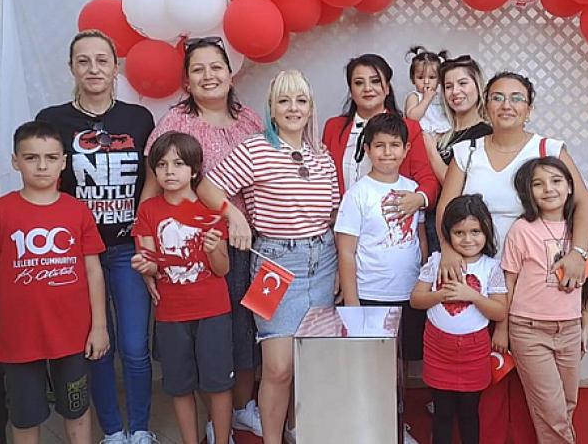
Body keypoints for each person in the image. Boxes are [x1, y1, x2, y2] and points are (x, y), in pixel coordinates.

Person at [199, 70, 339, 444]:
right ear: (271, 108)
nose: (293, 108)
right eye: (284, 101)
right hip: (273, 264)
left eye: (301, 101)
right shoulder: (255, 149)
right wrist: (234, 215)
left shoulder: (321, 155)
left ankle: (299, 431)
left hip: (322, 261)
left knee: (310, 361)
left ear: (311, 108)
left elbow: (332, 213)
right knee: (277, 366)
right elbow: (208, 187)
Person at [34, 29, 156, 444]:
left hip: (126, 249)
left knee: (135, 346)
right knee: (97, 345)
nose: (93, 69)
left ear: (115, 67)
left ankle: (140, 429)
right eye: (83, 61)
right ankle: (113, 432)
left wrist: (145, 233)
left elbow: (152, 182)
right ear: (71, 67)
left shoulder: (138, 119)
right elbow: (44, 182)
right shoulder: (52, 120)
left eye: (102, 60)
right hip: (76, 253)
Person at [143, 36, 264, 441]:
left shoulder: (250, 119)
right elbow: (151, 193)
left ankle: (241, 410)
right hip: (193, 249)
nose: (208, 75)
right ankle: (212, 421)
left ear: (231, 73)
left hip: (246, 243)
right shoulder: (176, 123)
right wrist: (148, 250)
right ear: (186, 81)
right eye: (198, 69)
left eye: (216, 67)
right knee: (202, 338)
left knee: (242, 329)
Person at [0, 121, 109, 444]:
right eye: (31, 158)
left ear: (63, 162)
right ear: (15, 161)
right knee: (25, 417)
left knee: (77, 410)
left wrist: (99, 327)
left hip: (72, 334)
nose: (42, 166)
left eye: (51, 157)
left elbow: (94, 271)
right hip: (20, 337)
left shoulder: (78, 210)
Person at [436, 71, 588, 289]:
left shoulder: (548, 149)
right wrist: (447, 250)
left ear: (529, 110)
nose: (506, 105)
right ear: (486, 106)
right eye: (497, 98)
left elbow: (583, 203)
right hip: (475, 272)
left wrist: (578, 253)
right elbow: (445, 207)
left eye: (517, 98)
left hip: (535, 271)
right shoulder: (467, 152)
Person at [131, 132, 233, 444]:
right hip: (171, 314)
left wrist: (213, 249)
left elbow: (223, 268)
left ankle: (222, 438)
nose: (170, 171)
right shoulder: (148, 211)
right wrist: (145, 265)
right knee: (179, 385)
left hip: (213, 311)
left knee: (218, 384)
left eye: (178, 164)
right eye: (162, 165)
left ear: (194, 169)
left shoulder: (211, 211)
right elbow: (149, 259)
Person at [333, 114, 428, 444]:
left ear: (406, 149)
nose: (387, 152)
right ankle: (377, 429)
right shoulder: (358, 194)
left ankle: (396, 423)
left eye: (394, 145)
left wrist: (424, 281)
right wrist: (352, 304)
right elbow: (346, 251)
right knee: (375, 368)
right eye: (379, 146)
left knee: (401, 367)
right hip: (371, 297)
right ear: (368, 149)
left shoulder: (413, 191)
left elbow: (420, 239)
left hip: (409, 295)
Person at [497, 156, 588, 444]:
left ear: (570, 186)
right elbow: (508, 283)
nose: (548, 189)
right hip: (529, 330)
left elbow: (585, 283)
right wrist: (502, 329)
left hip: (569, 329)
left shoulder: (580, 230)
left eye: (556, 181)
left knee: (567, 405)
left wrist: (585, 322)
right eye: (538, 184)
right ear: (528, 192)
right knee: (552, 412)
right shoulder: (522, 230)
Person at [410, 194, 507, 444]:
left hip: (474, 350)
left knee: (469, 413)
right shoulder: (436, 262)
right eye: (459, 232)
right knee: (442, 413)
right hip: (437, 347)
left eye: (475, 231)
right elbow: (416, 300)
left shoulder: (491, 267)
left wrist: (471, 295)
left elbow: (499, 311)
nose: (468, 239)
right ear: (448, 234)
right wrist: (441, 295)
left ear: (486, 231)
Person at [322, 53, 439, 227]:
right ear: (351, 90)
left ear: (387, 88)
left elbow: (429, 181)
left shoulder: (409, 128)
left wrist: (419, 199)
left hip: (391, 227)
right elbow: (323, 179)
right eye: (359, 83)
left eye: (375, 81)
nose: (367, 88)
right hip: (343, 228)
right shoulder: (334, 127)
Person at [423, 55, 493, 253]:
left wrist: (431, 151)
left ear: (478, 87)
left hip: (460, 232)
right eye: (448, 86)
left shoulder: (485, 134)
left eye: (463, 83)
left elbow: (459, 184)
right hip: (428, 224)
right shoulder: (442, 132)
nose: (455, 91)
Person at [404, 46, 450, 140]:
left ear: (439, 79)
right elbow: (412, 118)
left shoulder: (441, 97)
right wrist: (426, 100)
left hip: (442, 135)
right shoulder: (414, 96)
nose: (426, 82)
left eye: (432, 77)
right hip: (421, 136)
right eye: (420, 77)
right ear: (413, 79)